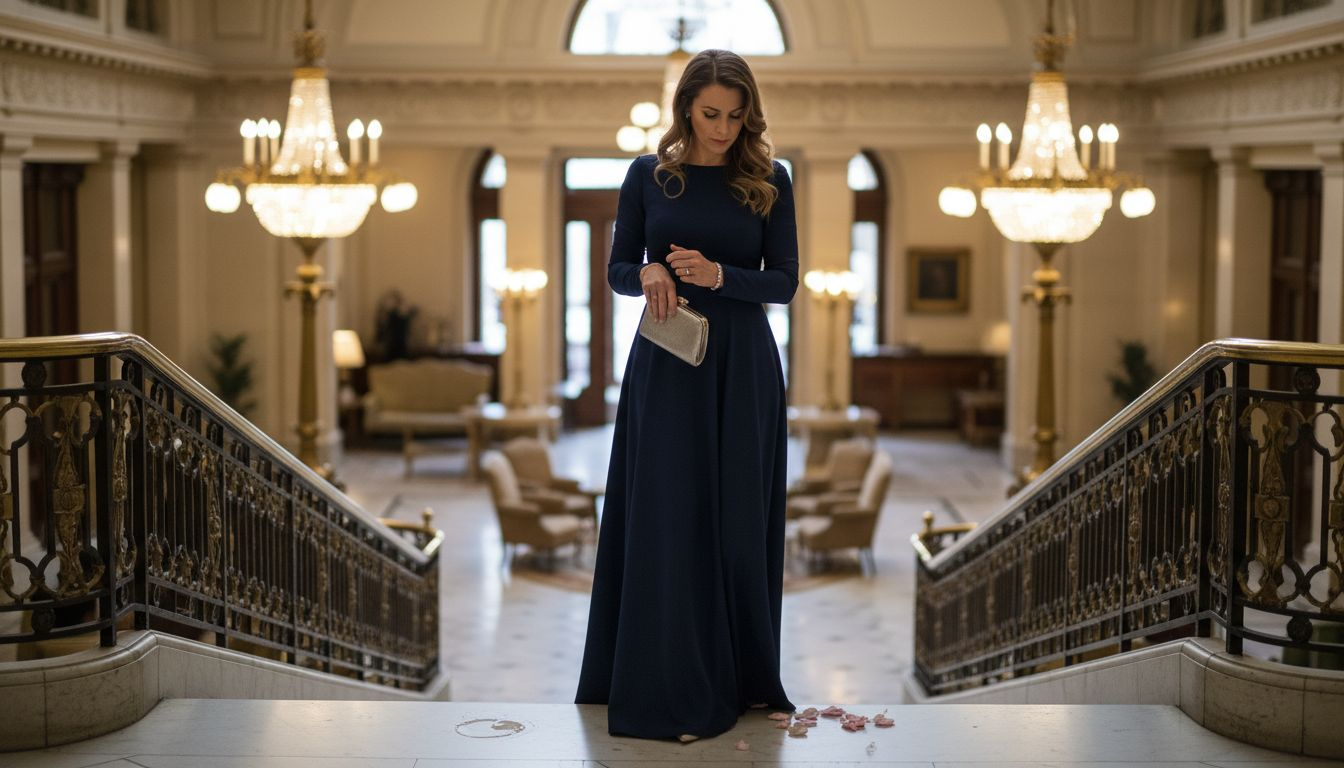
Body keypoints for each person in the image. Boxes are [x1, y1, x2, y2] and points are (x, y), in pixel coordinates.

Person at [575, 49, 798, 741]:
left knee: (735, 521)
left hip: (743, 369)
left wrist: (720, 273)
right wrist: (645, 273)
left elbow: (785, 281)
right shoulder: (648, 175)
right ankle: (662, 681)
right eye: (710, 114)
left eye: (735, 115)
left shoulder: (770, 178)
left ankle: (743, 678)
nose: (723, 128)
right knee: (667, 517)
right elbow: (616, 267)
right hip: (668, 363)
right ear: (686, 110)